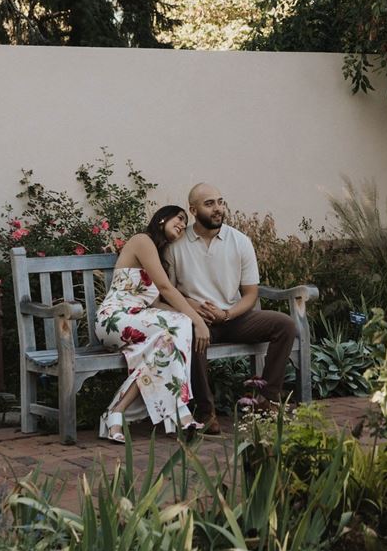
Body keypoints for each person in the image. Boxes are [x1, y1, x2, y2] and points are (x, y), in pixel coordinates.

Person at [168, 183, 297, 422]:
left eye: (220, 202)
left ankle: (266, 399)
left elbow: (250, 294)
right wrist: (196, 310)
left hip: (234, 317)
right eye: (209, 204)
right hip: (198, 320)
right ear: (193, 210)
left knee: (285, 325)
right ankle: (206, 412)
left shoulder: (240, 241)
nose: (217, 208)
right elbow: (169, 292)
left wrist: (227, 314)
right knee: (190, 334)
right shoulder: (176, 245)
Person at [93, 204, 209, 443]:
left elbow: (156, 304)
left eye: (184, 222)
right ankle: (179, 411)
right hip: (114, 318)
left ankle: (115, 413)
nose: (181, 224)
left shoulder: (156, 255)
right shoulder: (142, 241)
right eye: (178, 218)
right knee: (180, 324)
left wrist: (193, 312)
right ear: (161, 219)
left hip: (138, 320)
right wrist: (197, 322)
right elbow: (166, 288)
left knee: (165, 346)